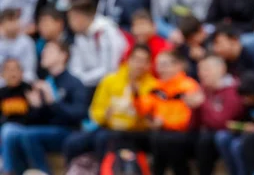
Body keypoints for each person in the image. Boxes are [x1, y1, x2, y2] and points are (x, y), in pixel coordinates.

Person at [1, 40, 88, 175]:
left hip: (69, 131)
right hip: (46, 130)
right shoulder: (44, 82)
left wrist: (52, 102)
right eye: (44, 50)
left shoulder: (73, 82)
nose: (44, 53)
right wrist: (36, 107)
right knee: (13, 133)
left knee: (27, 135)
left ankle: (42, 171)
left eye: (50, 51)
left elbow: (79, 114)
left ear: (63, 56)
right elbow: (39, 119)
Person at [62, 44, 157, 163]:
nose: (139, 65)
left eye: (144, 61)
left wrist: (135, 97)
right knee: (73, 142)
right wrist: (105, 115)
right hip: (108, 126)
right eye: (136, 59)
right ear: (128, 60)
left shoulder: (153, 86)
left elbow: (149, 116)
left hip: (135, 131)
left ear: (149, 65)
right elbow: (96, 111)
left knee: (103, 139)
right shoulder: (110, 80)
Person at [134, 50, 202, 175]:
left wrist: (164, 123)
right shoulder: (156, 87)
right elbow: (143, 108)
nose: (161, 69)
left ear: (177, 66)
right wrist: (136, 95)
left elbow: (187, 118)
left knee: (166, 141)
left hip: (183, 133)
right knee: (154, 138)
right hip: (162, 132)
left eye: (165, 65)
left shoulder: (188, 86)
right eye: (158, 65)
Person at [194, 55, 245, 174]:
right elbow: (194, 123)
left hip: (236, 130)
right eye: (199, 70)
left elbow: (222, 122)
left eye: (206, 69)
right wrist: (194, 107)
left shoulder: (233, 88)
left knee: (214, 138)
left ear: (221, 69)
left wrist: (203, 103)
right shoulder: (204, 89)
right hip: (210, 132)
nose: (202, 74)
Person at [67, 0, 128, 89]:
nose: (69, 23)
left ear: (80, 17)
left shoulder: (105, 31)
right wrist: (76, 80)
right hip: (88, 84)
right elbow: (75, 67)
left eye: (71, 18)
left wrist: (80, 80)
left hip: (112, 84)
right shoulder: (79, 36)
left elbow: (109, 70)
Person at [0, 9, 37, 85]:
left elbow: (29, 71)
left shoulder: (27, 42)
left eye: (16, 20)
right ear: (1, 24)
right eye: (10, 20)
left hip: (22, 83)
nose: (13, 24)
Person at [0, 59, 32, 125]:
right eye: (8, 70)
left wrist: (36, 106)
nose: (12, 73)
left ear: (22, 72)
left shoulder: (31, 90)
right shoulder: (1, 93)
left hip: (27, 128)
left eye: (15, 69)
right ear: (2, 74)